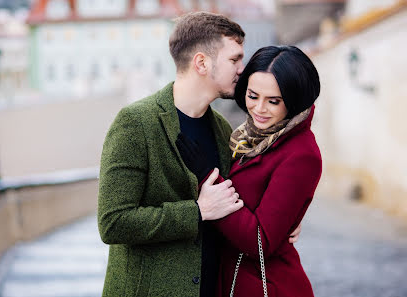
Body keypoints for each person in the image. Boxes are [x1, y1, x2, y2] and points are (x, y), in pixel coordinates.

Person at [98, 12, 300, 297]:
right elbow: (113, 222)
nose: (243, 69)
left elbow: (232, 200)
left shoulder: (222, 129)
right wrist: (196, 212)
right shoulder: (136, 122)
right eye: (234, 59)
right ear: (202, 63)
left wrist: (283, 220)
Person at [177, 45, 322, 297]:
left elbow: (260, 241)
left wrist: (209, 180)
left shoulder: (302, 154)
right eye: (253, 96)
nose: (259, 109)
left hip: (266, 286)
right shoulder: (247, 138)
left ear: (294, 100)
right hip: (231, 280)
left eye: (273, 101)